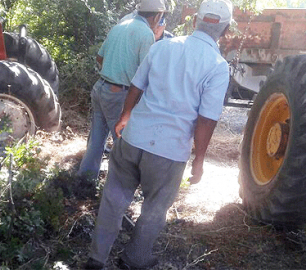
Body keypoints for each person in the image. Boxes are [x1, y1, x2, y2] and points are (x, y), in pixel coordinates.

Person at [84, 0, 234, 268]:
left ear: (196, 21)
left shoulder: (164, 46)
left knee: (114, 197)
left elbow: (136, 86)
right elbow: (206, 119)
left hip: (133, 137)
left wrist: (124, 118)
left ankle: (97, 258)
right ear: (225, 30)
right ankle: (134, 259)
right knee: (154, 208)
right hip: (169, 150)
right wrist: (198, 160)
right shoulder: (217, 66)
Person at [77, 0, 168, 181]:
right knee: (123, 143)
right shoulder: (146, 35)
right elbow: (145, 73)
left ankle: (85, 181)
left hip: (101, 87)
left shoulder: (120, 26)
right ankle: (119, 188)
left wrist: (115, 69)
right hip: (118, 94)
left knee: (96, 138)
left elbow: (100, 57)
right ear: (157, 16)